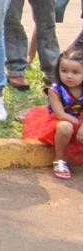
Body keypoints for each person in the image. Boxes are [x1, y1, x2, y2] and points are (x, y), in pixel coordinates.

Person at [22, 46, 83, 179]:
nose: (69, 76)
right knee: (66, 127)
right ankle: (59, 159)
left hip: (80, 119)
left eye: (75, 72)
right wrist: (79, 124)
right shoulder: (54, 90)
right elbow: (60, 114)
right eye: (64, 71)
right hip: (59, 121)